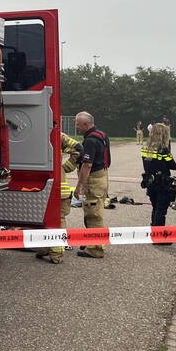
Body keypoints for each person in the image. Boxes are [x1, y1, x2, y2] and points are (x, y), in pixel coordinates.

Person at [36, 132, 83, 264]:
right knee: (58, 220)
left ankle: (50, 251)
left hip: (38, 186)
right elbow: (78, 149)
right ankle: (53, 253)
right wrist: (66, 168)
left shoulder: (31, 133)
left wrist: (66, 167)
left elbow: (79, 149)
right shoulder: (58, 135)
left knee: (40, 219)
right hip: (58, 186)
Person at [73, 111, 110, 258]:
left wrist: (79, 185)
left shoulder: (90, 140)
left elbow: (87, 165)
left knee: (93, 213)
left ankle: (95, 248)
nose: (77, 127)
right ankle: (91, 240)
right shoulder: (102, 134)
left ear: (86, 124)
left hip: (93, 178)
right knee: (95, 210)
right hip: (102, 175)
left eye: (78, 124)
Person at [141, 123, 176, 239]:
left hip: (150, 182)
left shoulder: (145, 148)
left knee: (155, 207)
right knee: (161, 210)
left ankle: (153, 230)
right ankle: (159, 237)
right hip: (162, 183)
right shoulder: (163, 149)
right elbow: (173, 166)